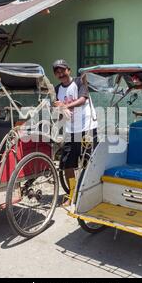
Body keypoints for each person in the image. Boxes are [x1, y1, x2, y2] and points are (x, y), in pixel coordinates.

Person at [52, 59, 98, 194]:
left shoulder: (79, 82)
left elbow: (83, 99)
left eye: (63, 71)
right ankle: (72, 194)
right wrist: (58, 110)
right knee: (67, 163)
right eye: (57, 72)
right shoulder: (57, 89)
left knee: (88, 162)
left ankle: (88, 193)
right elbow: (58, 110)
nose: (61, 74)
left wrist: (65, 105)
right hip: (71, 130)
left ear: (69, 70)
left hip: (87, 127)